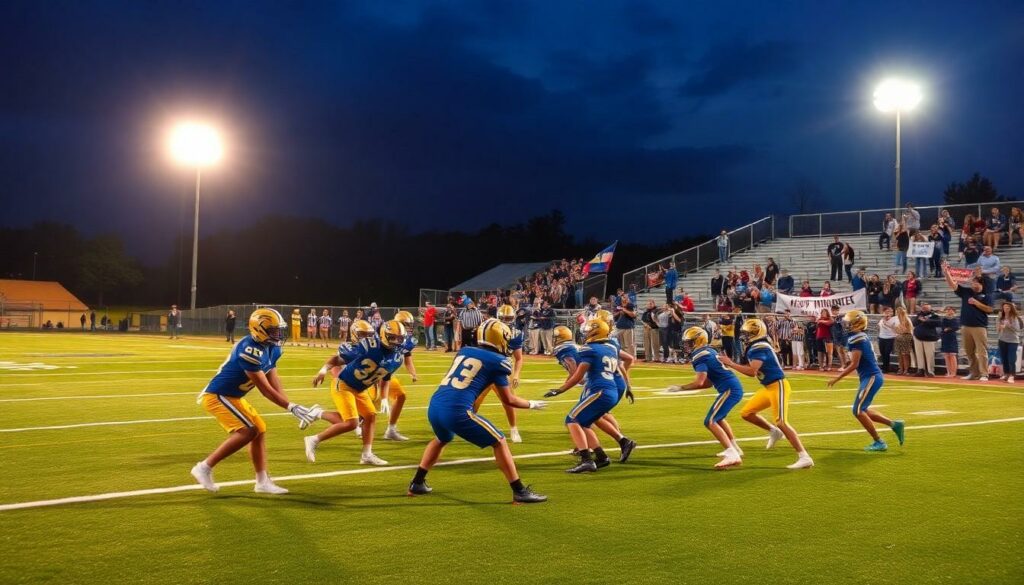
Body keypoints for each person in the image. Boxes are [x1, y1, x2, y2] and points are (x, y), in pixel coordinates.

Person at [407, 319, 548, 504]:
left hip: (435, 405)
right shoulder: (498, 361)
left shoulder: (465, 351)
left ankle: (417, 482)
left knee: (442, 439)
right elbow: (509, 400)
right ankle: (519, 491)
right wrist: (531, 404)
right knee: (499, 441)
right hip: (457, 411)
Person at [189, 309, 318, 494]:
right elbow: (265, 389)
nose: (279, 334)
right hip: (217, 395)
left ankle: (262, 482)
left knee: (260, 430)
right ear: (259, 329)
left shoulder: (272, 347)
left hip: (233, 396)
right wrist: (291, 407)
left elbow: (273, 378)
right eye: (274, 330)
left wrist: (291, 407)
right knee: (249, 431)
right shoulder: (249, 348)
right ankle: (203, 467)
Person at [303, 320, 406, 466]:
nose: (397, 342)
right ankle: (313, 439)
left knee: (370, 416)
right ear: (383, 335)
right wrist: (323, 370)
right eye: (393, 337)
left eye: (400, 339)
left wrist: (384, 398)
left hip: (360, 389)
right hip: (344, 385)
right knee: (352, 423)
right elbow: (336, 359)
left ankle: (367, 455)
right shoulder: (369, 347)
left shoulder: (397, 358)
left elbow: (386, 378)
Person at [720, 319, 814, 469]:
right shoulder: (755, 346)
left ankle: (804, 457)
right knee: (747, 413)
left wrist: (730, 363)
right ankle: (774, 432)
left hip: (778, 385)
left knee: (782, 421)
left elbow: (752, 372)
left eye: (748, 333)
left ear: (756, 333)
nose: (744, 336)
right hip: (768, 387)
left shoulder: (759, 347)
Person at [545, 319, 626, 473]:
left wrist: (560, 389)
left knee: (572, 419)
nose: (586, 333)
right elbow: (619, 369)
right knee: (586, 422)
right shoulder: (610, 347)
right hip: (611, 388)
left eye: (589, 330)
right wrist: (626, 386)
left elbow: (577, 376)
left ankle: (586, 459)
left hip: (599, 390)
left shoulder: (589, 349)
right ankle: (602, 455)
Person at [826, 310, 906, 452]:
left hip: (872, 376)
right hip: (870, 376)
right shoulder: (858, 336)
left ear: (857, 323)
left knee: (857, 410)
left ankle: (879, 442)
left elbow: (854, 364)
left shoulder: (857, 338)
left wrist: (837, 378)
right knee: (863, 409)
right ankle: (894, 424)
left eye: (849, 322)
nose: (846, 324)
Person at [670, 327, 745, 468]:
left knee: (710, 421)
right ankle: (735, 448)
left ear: (698, 341)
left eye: (689, 342)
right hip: (732, 388)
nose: (686, 346)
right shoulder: (709, 351)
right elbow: (707, 384)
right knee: (718, 419)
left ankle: (732, 454)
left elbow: (699, 382)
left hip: (730, 389)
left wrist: (681, 387)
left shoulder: (700, 356)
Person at [472, 307, 527, 443]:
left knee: (509, 401)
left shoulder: (515, 333)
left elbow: (519, 357)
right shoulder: (489, 328)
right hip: (484, 371)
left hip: (501, 371)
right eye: (504, 319)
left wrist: (516, 375)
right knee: (473, 401)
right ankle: (468, 427)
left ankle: (514, 429)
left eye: (509, 319)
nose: (506, 322)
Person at [374, 311, 422, 442]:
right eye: (406, 325)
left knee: (401, 396)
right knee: (370, 405)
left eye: (410, 325)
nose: (409, 328)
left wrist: (413, 373)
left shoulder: (406, 340)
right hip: (373, 374)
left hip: (386, 374)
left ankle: (391, 430)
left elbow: (407, 357)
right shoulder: (384, 335)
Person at [943, 265, 994, 381]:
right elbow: (953, 285)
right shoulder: (966, 292)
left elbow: (990, 309)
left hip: (979, 326)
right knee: (969, 352)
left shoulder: (987, 295)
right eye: (972, 282)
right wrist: (947, 273)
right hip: (965, 326)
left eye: (975, 282)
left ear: (981, 284)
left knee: (982, 352)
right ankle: (974, 373)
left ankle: (984, 374)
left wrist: (976, 303)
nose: (973, 284)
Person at [912, 303, 941, 377]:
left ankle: (930, 370)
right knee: (919, 354)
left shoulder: (934, 315)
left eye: (926, 308)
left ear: (930, 308)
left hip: (929, 338)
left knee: (929, 355)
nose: (925, 309)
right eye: (924, 308)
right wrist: (920, 320)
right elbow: (914, 323)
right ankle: (920, 369)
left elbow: (939, 323)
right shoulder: (919, 315)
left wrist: (926, 321)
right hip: (918, 337)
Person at [996, 302, 1022, 383]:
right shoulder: (1000, 317)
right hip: (1002, 339)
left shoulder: (1014, 317)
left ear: (1011, 308)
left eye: (1008, 307)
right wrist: (1000, 327)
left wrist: (1008, 325)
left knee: (1011, 359)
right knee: (1004, 358)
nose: (1006, 309)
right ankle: (1006, 373)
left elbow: (1017, 329)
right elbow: (998, 329)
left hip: (1013, 340)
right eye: (1004, 307)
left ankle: (1012, 375)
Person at [940, 306, 960, 378]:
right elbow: (942, 327)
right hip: (945, 337)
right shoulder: (944, 319)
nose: (948, 311)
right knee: (946, 355)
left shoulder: (955, 319)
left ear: (954, 311)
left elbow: (956, 327)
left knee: (952, 355)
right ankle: (948, 371)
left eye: (950, 310)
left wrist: (948, 329)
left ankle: (953, 372)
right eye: (947, 310)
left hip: (951, 337)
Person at [894, 307, 914, 376]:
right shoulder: (896, 320)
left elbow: (908, 330)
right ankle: (901, 368)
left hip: (906, 337)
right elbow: (895, 329)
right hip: (899, 337)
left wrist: (901, 330)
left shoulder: (907, 319)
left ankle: (906, 369)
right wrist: (899, 331)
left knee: (905, 354)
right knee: (900, 354)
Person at [878, 307, 898, 374]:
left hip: (890, 338)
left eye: (890, 311)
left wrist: (887, 322)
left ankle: (886, 368)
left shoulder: (894, 319)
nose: (889, 313)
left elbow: (896, 328)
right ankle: (884, 366)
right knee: (882, 353)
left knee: (887, 353)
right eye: (887, 312)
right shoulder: (881, 319)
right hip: (881, 337)